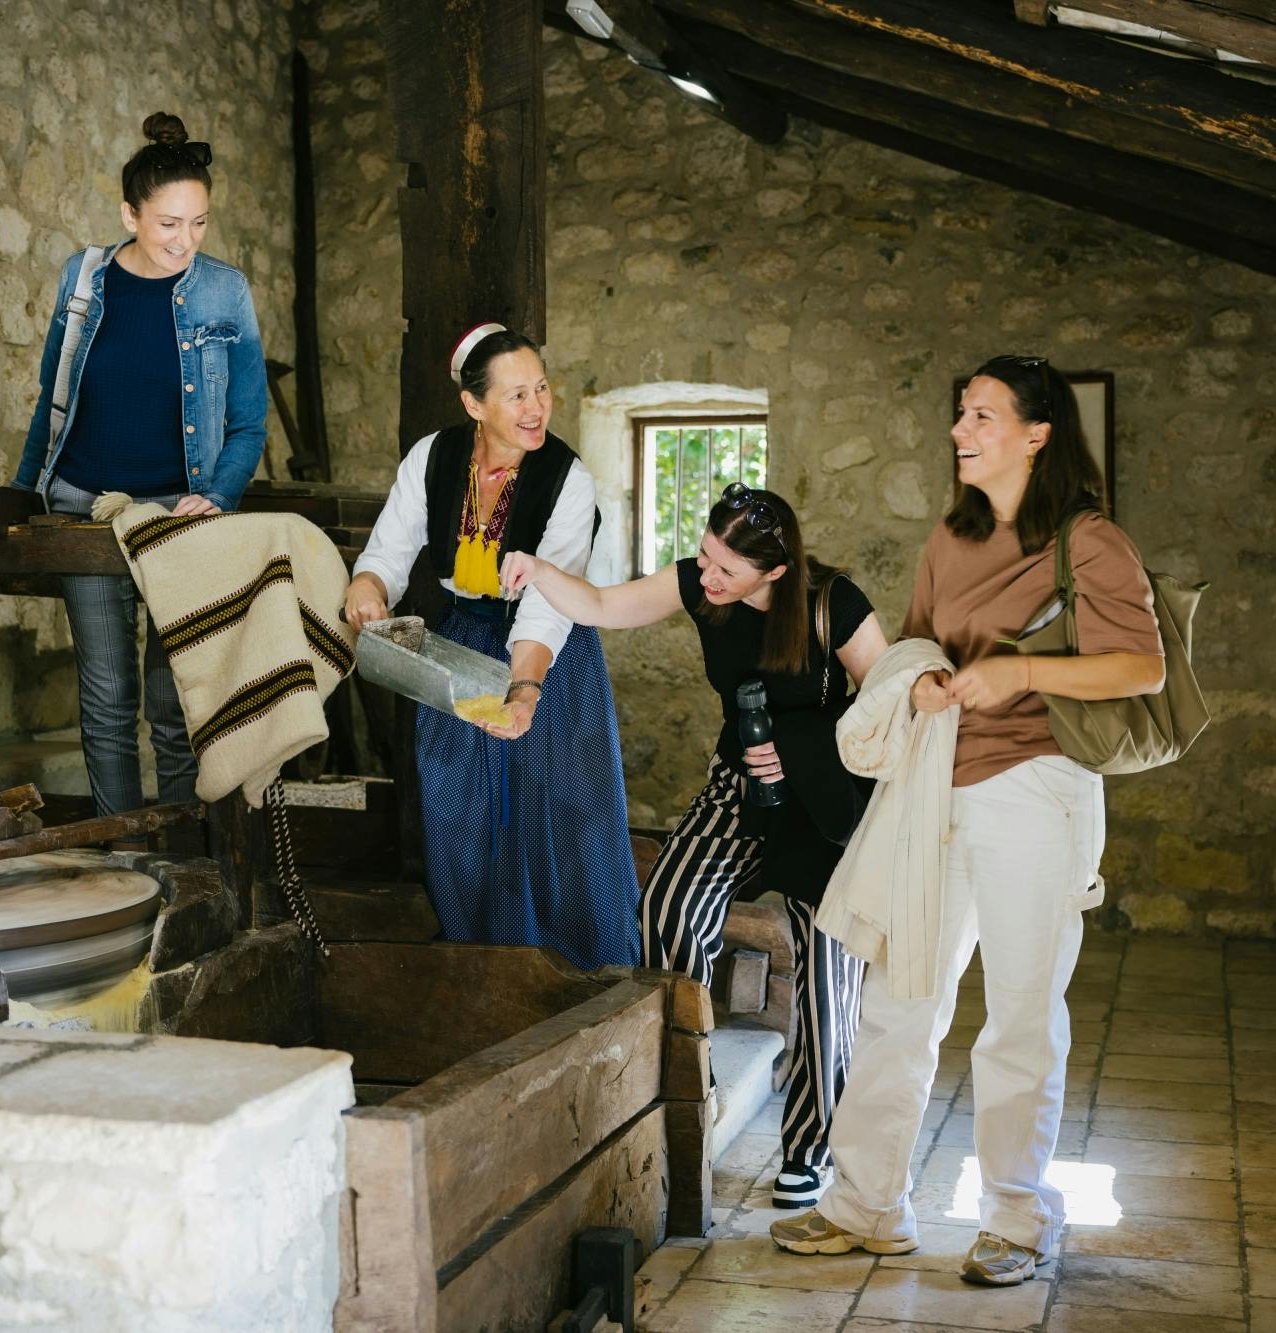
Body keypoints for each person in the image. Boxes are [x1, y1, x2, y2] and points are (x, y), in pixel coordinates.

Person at [772, 355, 1165, 1287]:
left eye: (982, 416)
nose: (960, 430)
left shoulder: (1089, 541)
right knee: (898, 1001)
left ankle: (1014, 1221)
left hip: (1041, 790)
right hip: (938, 792)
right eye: (960, 414)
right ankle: (866, 1204)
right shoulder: (947, 540)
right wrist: (926, 679)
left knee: (1021, 1017)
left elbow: (1140, 666)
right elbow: (916, 645)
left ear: (1038, 434)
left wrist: (1023, 672)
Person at [503, 485, 888, 1208]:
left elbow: (889, 698)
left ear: (774, 572)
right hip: (735, 788)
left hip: (824, 805)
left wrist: (806, 752)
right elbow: (606, 606)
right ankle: (689, 1091)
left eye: (726, 571)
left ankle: (811, 1146)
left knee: (826, 971)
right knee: (670, 908)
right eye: (705, 557)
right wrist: (538, 570)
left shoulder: (834, 604)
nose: (707, 578)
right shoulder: (699, 585)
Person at [344, 324, 639, 970]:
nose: (536, 407)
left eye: (541, 389)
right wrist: (367, 589)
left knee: (562, 818)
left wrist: (526, 688)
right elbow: (390, 549)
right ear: (474, 405)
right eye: (516, 396)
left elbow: (548, 605)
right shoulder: (435, 458)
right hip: (461, 647)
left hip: (551, 660)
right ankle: (482, 968)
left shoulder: (568, 479)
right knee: (459, 808)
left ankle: (589, 978)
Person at [12, 111, 269, 822]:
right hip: (84, 511)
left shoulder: (226, 292)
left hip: (182, 518)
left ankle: (181, 854)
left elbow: (249, 422)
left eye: (199, 224)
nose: (184, 241)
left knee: (174, 698)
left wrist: (218, 495)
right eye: (167, 224)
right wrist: (21, 494)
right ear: (130, 213)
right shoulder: (84, 278)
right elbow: (53, 399)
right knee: (105, 696)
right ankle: (118, 854)